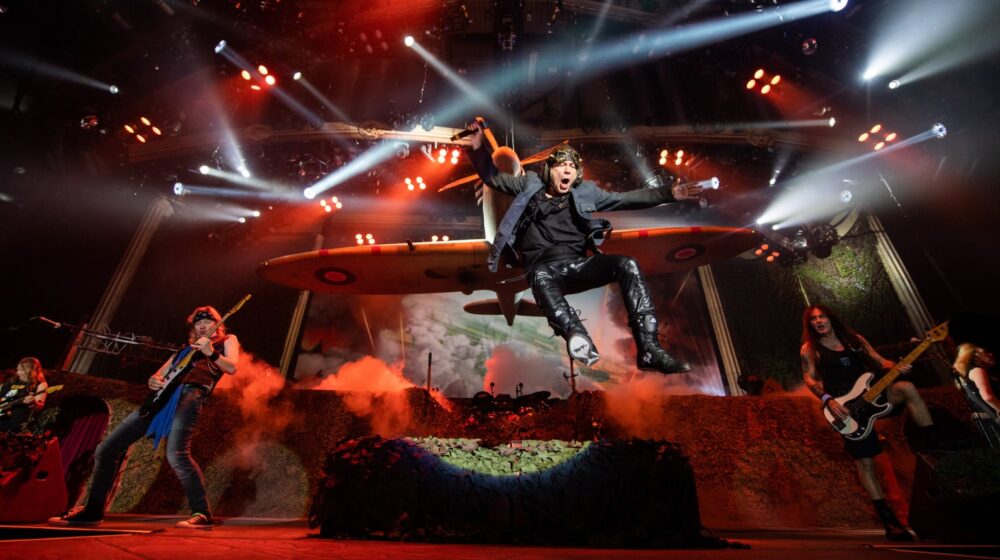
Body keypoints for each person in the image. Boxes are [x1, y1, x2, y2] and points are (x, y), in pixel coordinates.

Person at [463, 121, 704, 374]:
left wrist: (669, 193)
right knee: (539, 274)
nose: (567, 169)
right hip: (545, 270)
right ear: (549, 170)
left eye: (572, 166)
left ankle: (649, 350)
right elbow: (492, 176)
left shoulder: (586, 192)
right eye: (562, 165)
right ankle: (577, 337)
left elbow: (626, 199)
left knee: (627, 265)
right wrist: (477, 146)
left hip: (578, 266)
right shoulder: (529, 185)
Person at [49, 306, 239, 529]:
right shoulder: (185, 349)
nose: (202, 325)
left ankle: (202, 512)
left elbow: (232, 367)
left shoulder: (227, 340)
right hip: (159, 400)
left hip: (190, 396)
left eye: (208, 321)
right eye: (198, 322)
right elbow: (159, 374)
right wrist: (153, 380)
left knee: (177, 454)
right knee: (106, 450)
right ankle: (93, 511)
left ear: (218, 324)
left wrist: (212, 353)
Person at [800, 304, 946, 541]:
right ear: (810, 324)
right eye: (813, 319)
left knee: (906, 387)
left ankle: (934, 445)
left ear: (831, 318)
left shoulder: (854, 340)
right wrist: (828, 400)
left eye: (822, 316)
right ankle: (890, 522)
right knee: (866, 464)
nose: (818, 321)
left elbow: (880, 362)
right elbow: (809, 378)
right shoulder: (810, 349)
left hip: (872, 395)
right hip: (846, 410)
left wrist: (898, 366)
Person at [953, 343, 999, 447]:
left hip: (987, 419)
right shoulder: (978, 371)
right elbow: (988, 397)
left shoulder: (969, 373)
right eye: (984, 352)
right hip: (993, 419)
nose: (990, 354)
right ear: (974, 356)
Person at [0, 357, 49, 433]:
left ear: (32, 371)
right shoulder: (12, 381)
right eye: (18, 370)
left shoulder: (40, 384)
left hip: (15, 423)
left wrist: (33, 402)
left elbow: (40, 407)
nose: (18, 373)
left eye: (22, 370)